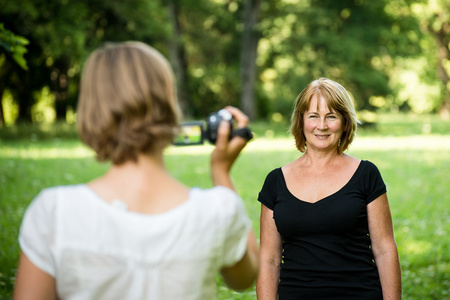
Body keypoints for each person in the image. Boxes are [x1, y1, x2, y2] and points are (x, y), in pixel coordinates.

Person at [13, 41, 258, 300]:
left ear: (91, 112)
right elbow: (244, 278)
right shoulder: (217, 210)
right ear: (169, 110)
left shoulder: (54, 212)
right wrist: (221, 171)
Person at [256, 77, 401, 299]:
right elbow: (269, 260)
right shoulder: (275, 181)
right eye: (313, 116)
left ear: (344, 122)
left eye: (331, 116)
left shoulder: (366, 174)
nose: (321, 126)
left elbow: (384, 249)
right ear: (301, 120)